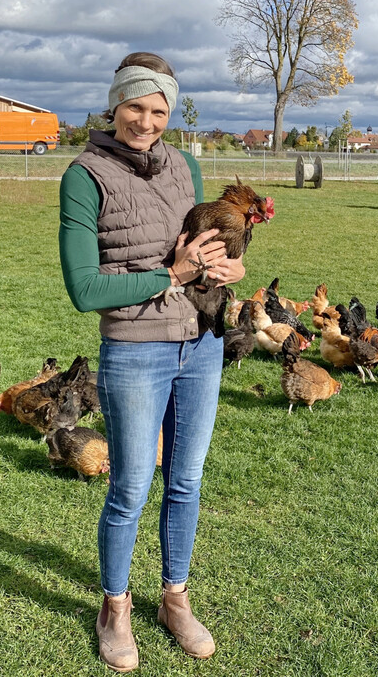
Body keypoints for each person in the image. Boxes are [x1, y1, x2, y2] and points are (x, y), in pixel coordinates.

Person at [58, 52, 245, 670]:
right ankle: (115, 608)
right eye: (135, 107)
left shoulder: (187, 166)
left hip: (202, 345)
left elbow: (204, 250)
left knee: (186, 481)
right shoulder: (84, 175)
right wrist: (173, 274)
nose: (145, 121)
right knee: (131, 487)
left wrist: (227, 269)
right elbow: (85, 289)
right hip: (136, 350)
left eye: (158, 110)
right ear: (115, 105)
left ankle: (174, 599)